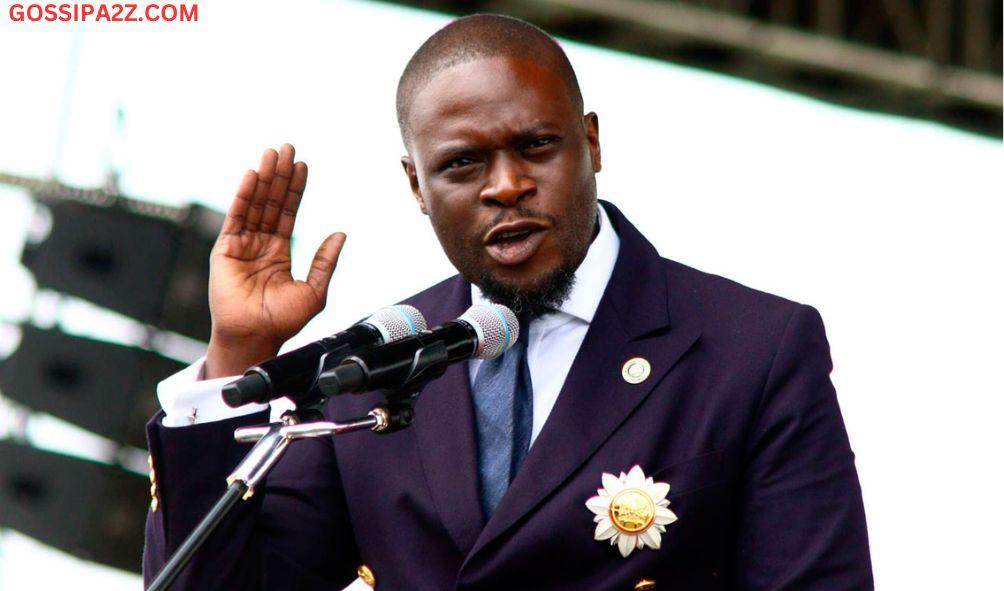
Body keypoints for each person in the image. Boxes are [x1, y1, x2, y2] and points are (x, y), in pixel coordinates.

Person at [143, 14, 873, 590]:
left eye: (535, 147)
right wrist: (237, 353)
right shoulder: (367, 368)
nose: (505, 186)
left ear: (590, 143)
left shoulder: (753, 348)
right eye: (462, 164)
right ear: (415, 187)